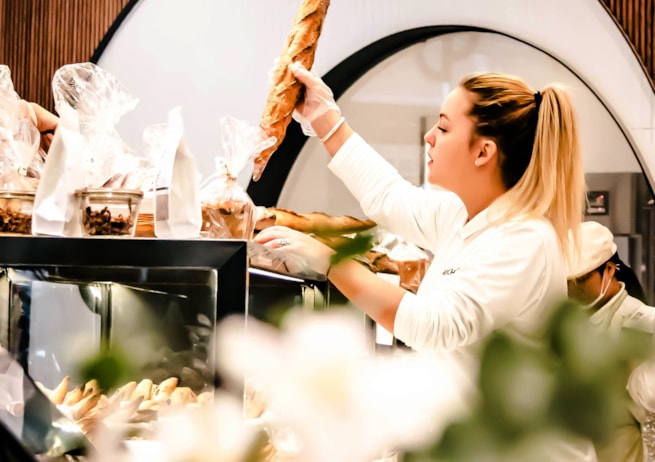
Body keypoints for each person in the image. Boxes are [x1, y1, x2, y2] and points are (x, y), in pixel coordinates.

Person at [255, 63, 593, 459]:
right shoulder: (463, 216)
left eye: (444, 128)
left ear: (483, 151)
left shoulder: (523, 238)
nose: (430, 137)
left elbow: (434, 326)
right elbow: (388, 197)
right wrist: (323, 116)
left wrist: (329, 260)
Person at [567, 220, 655, 461]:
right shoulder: (565, 325)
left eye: (580, 281)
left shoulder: (643, 323)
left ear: (609, 270)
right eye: (566, 282)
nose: (571, 290)